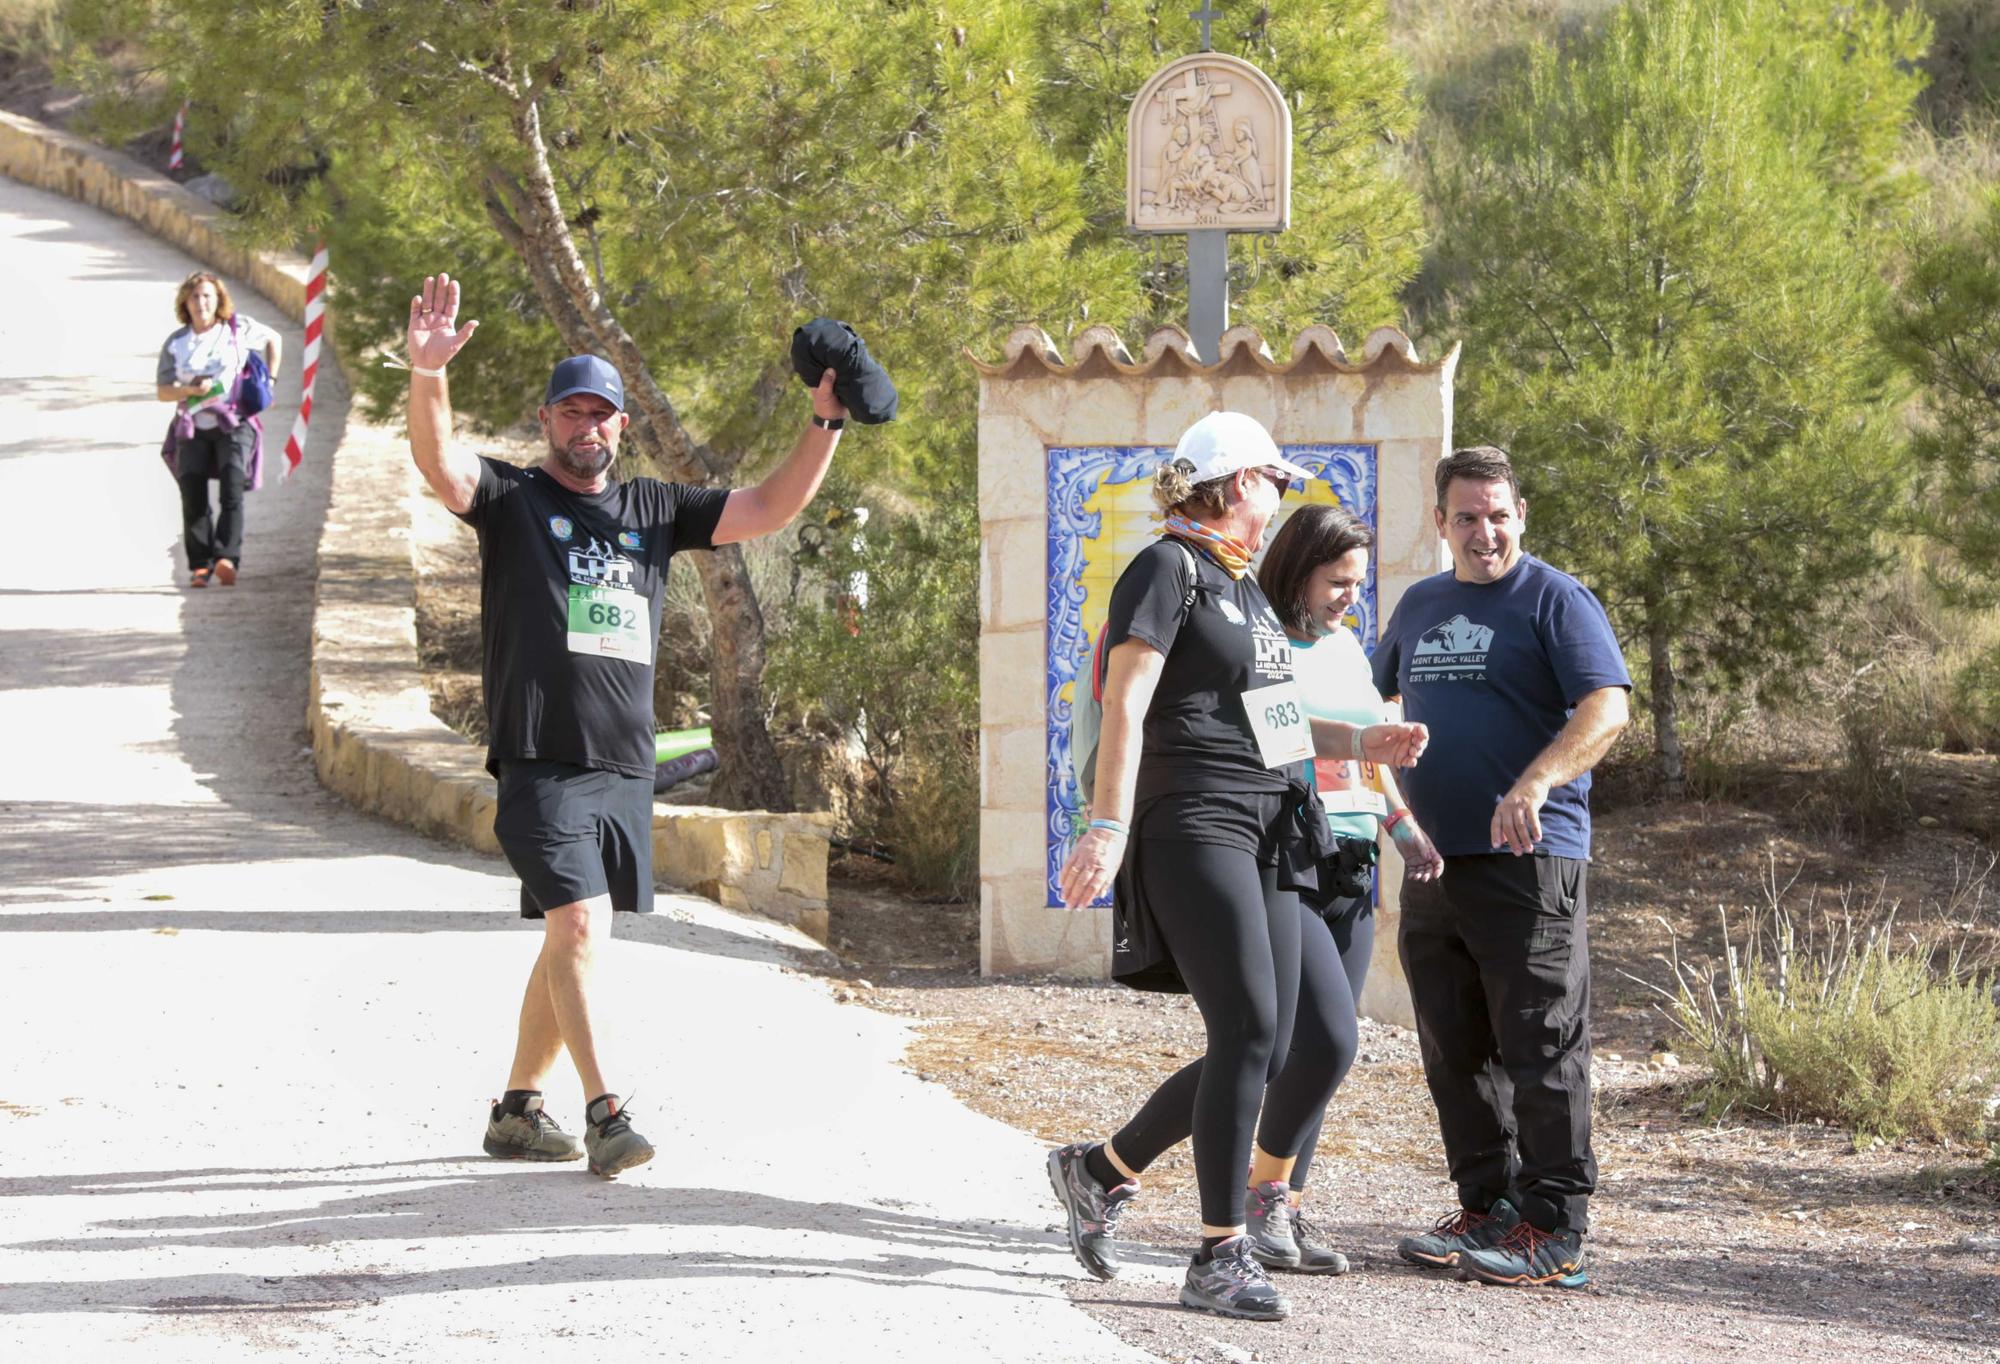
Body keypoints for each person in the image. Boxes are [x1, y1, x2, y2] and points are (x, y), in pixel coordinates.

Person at [403, 271, 849, 1177]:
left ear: (620, 425)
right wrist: (427, 374)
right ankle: (605, 1114)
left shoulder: (652, 510)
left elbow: (769, 507)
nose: (587, 427)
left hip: (622, 766)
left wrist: (825, 423)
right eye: (571, 412)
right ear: (547, 421)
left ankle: (518, 1111)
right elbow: (441, 465)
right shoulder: (514, 499)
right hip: (540, 760)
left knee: (575, 934)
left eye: (600, 413)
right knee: (577, 926)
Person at [1047, 411, 1427, 1322]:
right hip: (1191, 820)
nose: (1283, 497)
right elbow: (1126, 701)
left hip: (1266, 824)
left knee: (1271, 1036)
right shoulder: (1166, 569)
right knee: (1254, 1026)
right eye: (1275, 481)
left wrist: (1362, 738)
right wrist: (1106, 824)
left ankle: (1098, 1172)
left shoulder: (1246, 591)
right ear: (1235, 481)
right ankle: (1218, 1254)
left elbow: (1278, 723)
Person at [1371, 445, 1629, 1288]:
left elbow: (1608, 704)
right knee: (1454, 1046)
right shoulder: (1420, 604)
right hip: (1434, 862)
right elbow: (1371, 700)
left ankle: (1555, 1229)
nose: (1486, 532)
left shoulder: (1553, 599)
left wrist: (1537, 779)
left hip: (1531, 858)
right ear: (1440, 523)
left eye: (1499, 515)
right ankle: (1488, 1209)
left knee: (1542, 1044)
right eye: (1468, 517)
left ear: (1521, 516)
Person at [1238, 502, 1443, 1276]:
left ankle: (1280, 1209)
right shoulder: (1260, 643)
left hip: (1354, 856)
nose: (1349, 597)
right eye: (1336, 581)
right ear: (1297, 569)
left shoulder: (1350, 647)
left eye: (1357, 583)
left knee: (1315, 1054)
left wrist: (1401, 826)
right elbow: (1274, 736)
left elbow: (1370, 753)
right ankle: (1256, 1199)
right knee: (1326, 1041)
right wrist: (1360, 740)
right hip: (1289, 851)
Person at [155, 271, 281, 588]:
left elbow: (274, 339)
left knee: (232, 488)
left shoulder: (237, 331)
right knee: (193, 495)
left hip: (234, 422)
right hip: (193, 424)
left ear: (219, 300)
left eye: (208, 296)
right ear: (186, 302)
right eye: (195, 296)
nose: (202, 302)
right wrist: (192, 392)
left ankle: (227, 558)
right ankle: (200, 565)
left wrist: (271, 381)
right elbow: (163, 391)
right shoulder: (177, 344)